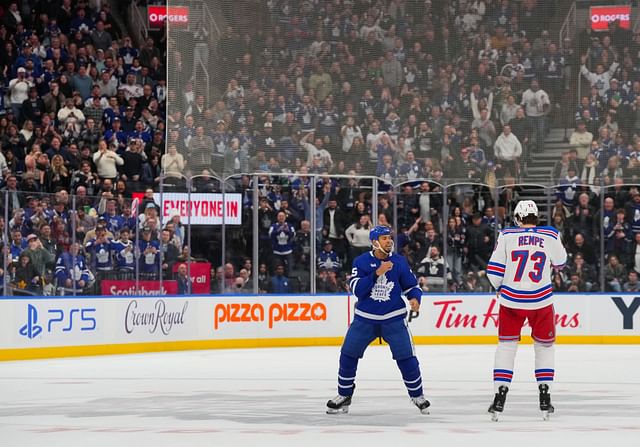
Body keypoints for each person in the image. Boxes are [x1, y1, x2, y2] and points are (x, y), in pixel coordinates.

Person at [326, 226, 429, 415]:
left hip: (394, 319)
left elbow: (412, 286)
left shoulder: (399, 262)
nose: (389, 241)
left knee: (407, 359)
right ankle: (344, 395)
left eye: (390, 238)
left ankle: (417, 395)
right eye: (384, 238)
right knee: (348, 355)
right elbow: (358, 290)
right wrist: (377, 273)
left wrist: (415, 298)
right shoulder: (361, 262)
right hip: (365, 319)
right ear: (374, 242)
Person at [486, 200, 567, 421]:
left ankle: (500, 394)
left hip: (511, 301)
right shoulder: (550, 234)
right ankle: (544, 395)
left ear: (517, 217)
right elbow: (561, 262)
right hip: (541, 301)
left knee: (506, 347)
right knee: (544, 348)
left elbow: (493, 272)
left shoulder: (506, 235)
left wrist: (500, 287)